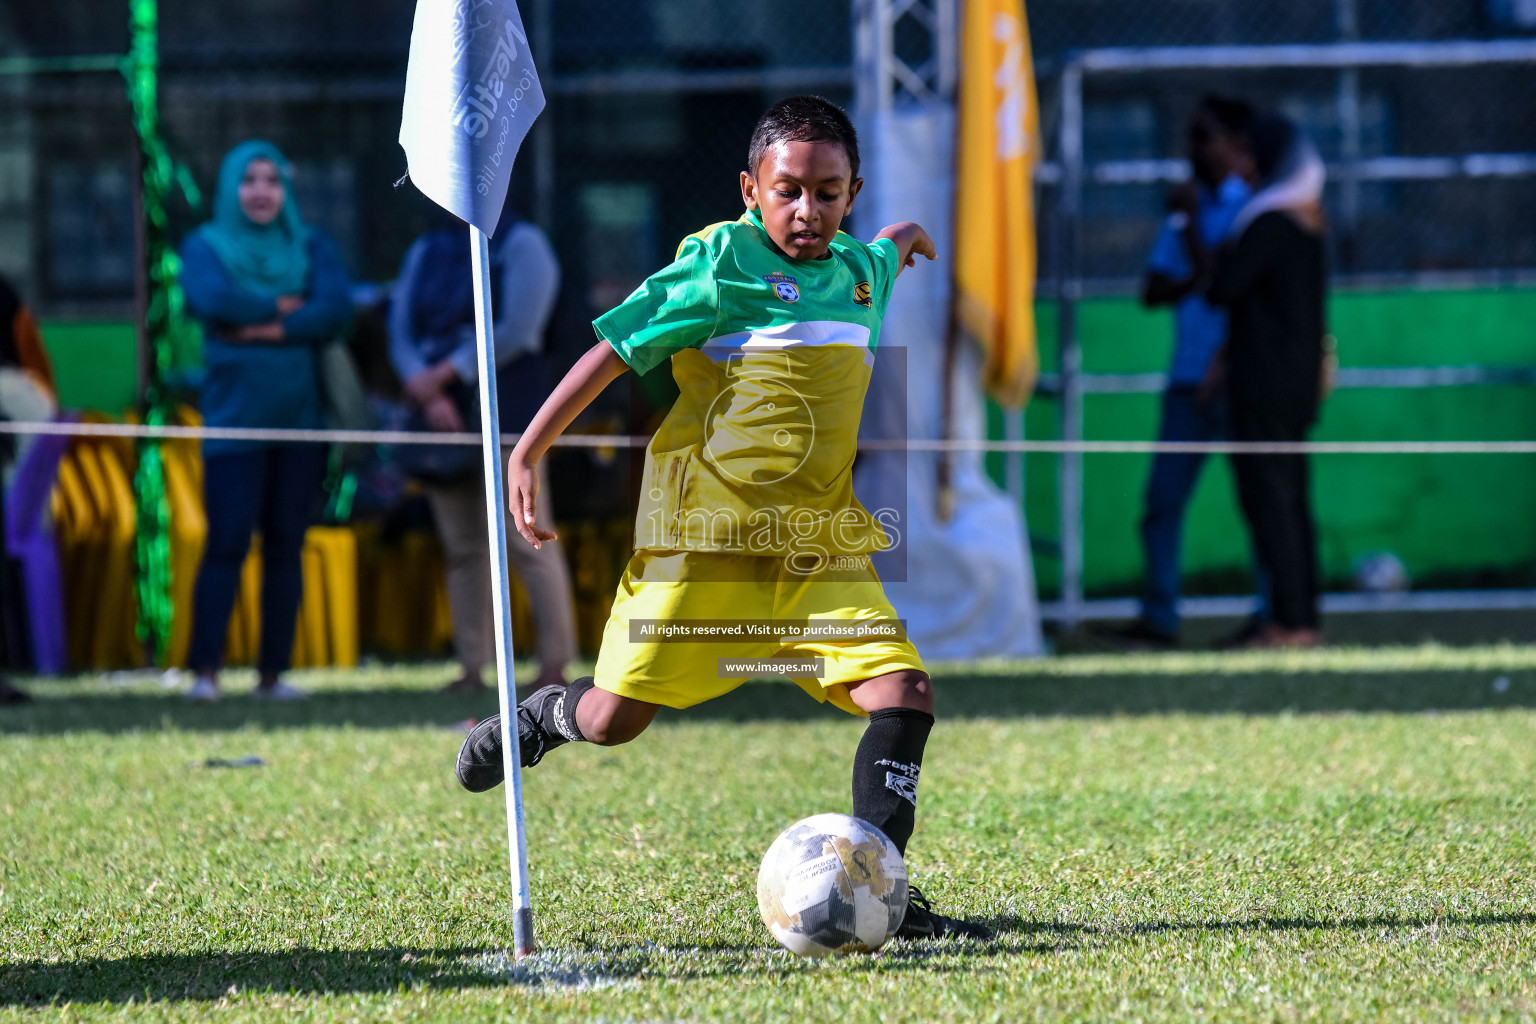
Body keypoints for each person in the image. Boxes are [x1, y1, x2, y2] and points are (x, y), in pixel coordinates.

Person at [451, 96, 992, 940]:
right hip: (702, 546)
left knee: (906, 693)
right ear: (751, 189)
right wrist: (528, 451)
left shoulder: (859, 270)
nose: (806, 211)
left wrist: (906, 236)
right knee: (612, 721)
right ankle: (543, 716)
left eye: (828, 191)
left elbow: (887, 251)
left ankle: (880, 888)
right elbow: (613, 351)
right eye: (788, 191)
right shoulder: (717, 266)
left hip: (819, 546)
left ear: (852, 193)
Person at [179, 140, 352, 699]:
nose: (261, 191)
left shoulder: (311, 244)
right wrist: (285, 307)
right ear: (231, 187)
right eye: (249, 180)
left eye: (272, 180)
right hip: (233, 426)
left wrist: (259, 326)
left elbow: (335, 308)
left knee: (285, 545)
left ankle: (271, 676)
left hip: (299, 423)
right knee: (226, 542)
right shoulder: (204, 245)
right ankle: (204, 673)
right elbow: (210, 301)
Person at [388, 209, 578, 695]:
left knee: (528, 540)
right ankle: (473, 668)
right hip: (440, 421)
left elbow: (519, 329)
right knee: (463, 548)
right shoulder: (424, 250)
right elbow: (399, 329)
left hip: (512, 420)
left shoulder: (524, 241)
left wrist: (447, 373)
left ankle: (554, 665)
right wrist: (425, 388)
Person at [1106, 96, 1259, 646]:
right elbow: (1155, 288)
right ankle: (1160, 618)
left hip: (1243, 381)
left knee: (1260, 503)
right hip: (1187, 382)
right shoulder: (1185, 211)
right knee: (1162, 503)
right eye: (1191, 136)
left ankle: (1273, 616)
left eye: (1205, 136)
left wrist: (1194, 231)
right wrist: (1193, 243)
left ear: (1237, 145)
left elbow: (1224, 283)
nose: (1194, 149)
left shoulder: (1255, 207)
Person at [1208, 114, 1328, 648]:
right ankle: (1297, 616)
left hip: (1265, 384)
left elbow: (1222, 289)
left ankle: (1288, 621)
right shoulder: (1306, 223)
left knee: (1271, 499)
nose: (1244, 168)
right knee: (1292, 498)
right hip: (1295, 383)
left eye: (1251, 156)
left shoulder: (1267, 224)